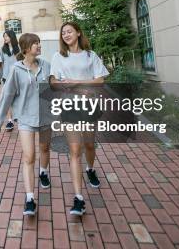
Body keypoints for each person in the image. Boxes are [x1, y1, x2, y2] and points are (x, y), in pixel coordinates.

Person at [50, 21, 109, 216]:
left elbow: (100, 79)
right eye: (63, 32)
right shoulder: (58, 57)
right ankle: (78, 198)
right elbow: (53, 81)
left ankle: (90, 168)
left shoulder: (90, 56)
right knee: (75, 150)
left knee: (89, 145)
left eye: (69, 31)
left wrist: (76, 82)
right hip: (69, 107)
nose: (66, 35)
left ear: (78, 33)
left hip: (89, 105)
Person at [0, 33, 52, 216]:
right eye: (35, 43)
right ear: (26, 48)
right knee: (29, 156)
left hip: (46, 117)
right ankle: (29, 198)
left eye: (39, 43)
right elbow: (7, 96)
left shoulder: (46, 66)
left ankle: (43, 171)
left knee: (44, 149)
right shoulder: (16, 69)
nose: (39, 46)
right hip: (26, 118)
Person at [0, 30, 20, 131]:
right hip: (6, 78)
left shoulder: (19, 48)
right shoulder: (3, 49)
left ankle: (20, 117)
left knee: (18, 98)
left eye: (7, 36)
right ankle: (10, 120)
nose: (5, 38)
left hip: (17, 77)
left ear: (12, 37)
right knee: (8, 99)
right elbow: (2, 64)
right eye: (4, 37)